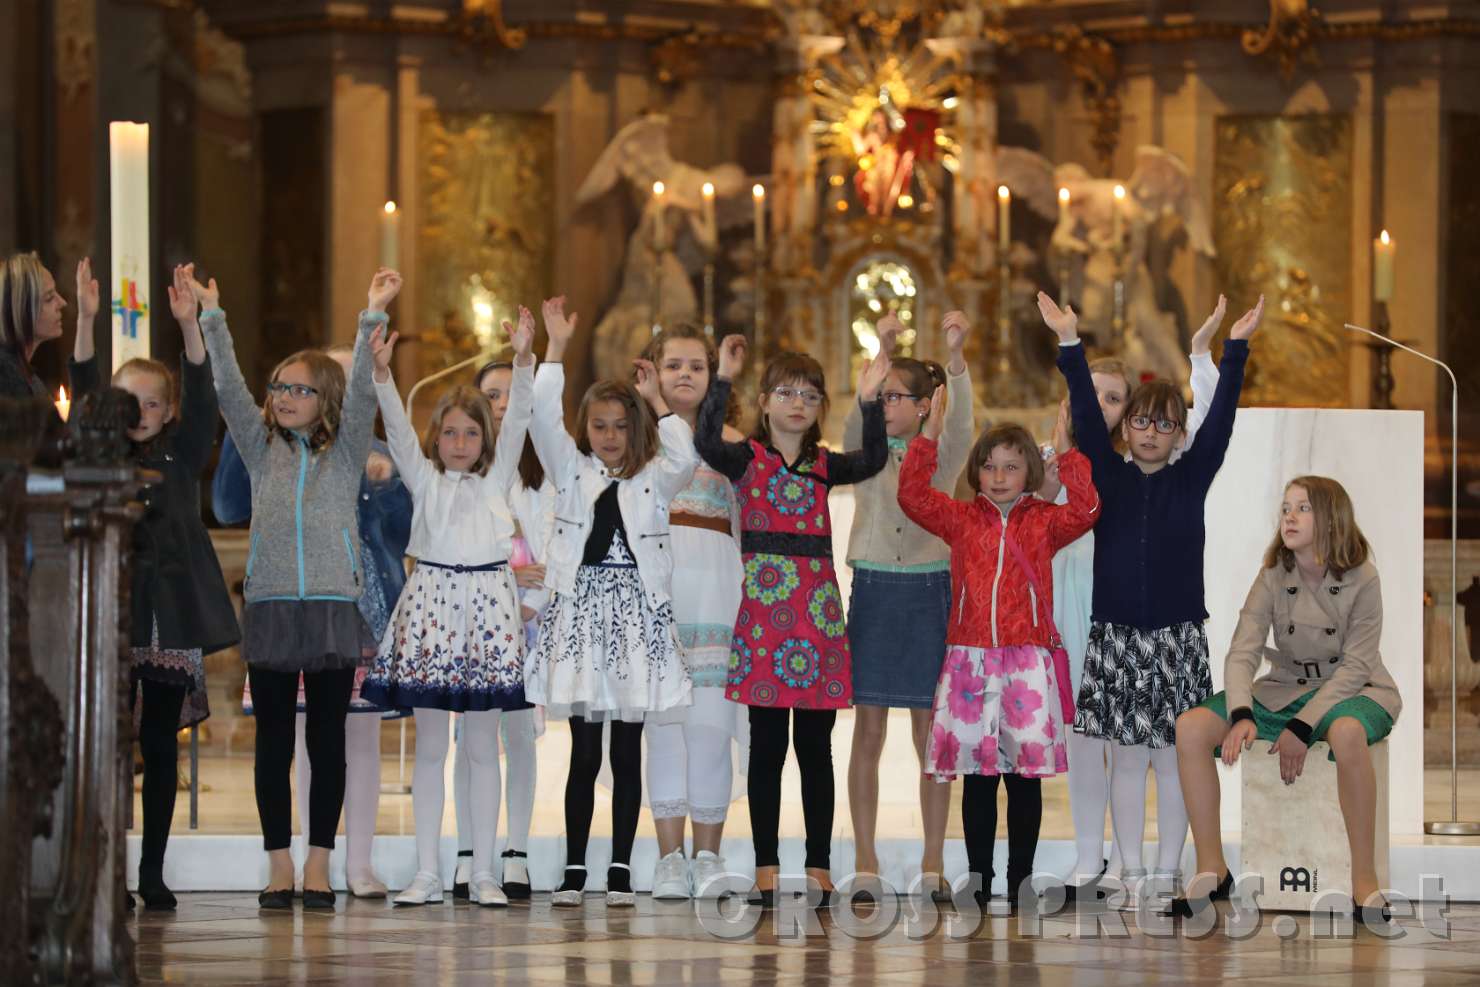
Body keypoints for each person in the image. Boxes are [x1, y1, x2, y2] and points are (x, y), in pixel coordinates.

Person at [1040, 289, 1262, 909]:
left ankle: (1170, 871)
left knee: (1172, 758)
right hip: (1116, 638)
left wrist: (1233, 348)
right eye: (1140, 421)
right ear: (1127, 427)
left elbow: (1222, 421)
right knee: (1127, 759)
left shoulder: (1193, 476)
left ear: (1178, 434)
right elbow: (1085, 410)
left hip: (1175, 638)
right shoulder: (1105, 474)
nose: (1149, 433)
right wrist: (1068, 342)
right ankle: (1131, 870)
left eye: (1165, 424)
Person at [197, 265, 396, 909]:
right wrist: (213, 319)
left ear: (327, 399)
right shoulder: (260, 447)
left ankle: (320, 861)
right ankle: (278, 860)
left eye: (299, 389)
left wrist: (372, 314)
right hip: (274, 607)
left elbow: (364, 390)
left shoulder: (344, 454)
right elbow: (227, 388)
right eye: (279, 386)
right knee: (275, 740)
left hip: (335, 609)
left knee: (327, 739)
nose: (283, 396)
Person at [694, 332, 890, 907]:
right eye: (785, 392)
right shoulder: (745, 459)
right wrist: (722, 377)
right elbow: (707, 440)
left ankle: (820, 863)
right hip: (763, 620)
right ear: (764, 402)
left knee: (815, 747)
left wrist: (872, 398)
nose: (797, 403)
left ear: (821, 406)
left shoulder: (825, 466)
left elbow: (874, 458)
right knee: (766, 747)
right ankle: (765, 865)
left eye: (809, 394)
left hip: (815, 617)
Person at [69, 262, 239, 910]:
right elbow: (84, 385)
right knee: (108, 746)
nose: (138, 411)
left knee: (161, 747)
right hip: (110, 618)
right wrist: (87, 319)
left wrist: (191, 326)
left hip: (166, 623)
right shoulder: (101, 453)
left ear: (166, 411)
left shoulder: (182, 450)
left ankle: (153, 868)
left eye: (150, 401)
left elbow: (204, 393)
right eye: (127, 400)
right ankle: (102, 865)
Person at [524, 296, 698, 908]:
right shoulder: (570, 471)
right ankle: (576, 869)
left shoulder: (653, 475)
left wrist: (654, 399)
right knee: (584, 749)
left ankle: (621, 868)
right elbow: (542, 417)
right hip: (582, 615)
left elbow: (684, 453)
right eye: (600, 426)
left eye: (622, 427)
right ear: (585, 429)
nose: (610, 437)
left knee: (628, 749)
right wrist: (555, 348)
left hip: (635, 616)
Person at [360, 308, 537, 907]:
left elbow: (518, 427)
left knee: (485, 748)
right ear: (436, 437)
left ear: (487, 439)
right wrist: (382, 374)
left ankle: (483, 871)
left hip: (488, 611)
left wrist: (524, 361)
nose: (461, 443)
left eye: (472, 433)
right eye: (451, 432)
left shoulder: (497, 478)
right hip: (432, 610)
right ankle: (427, 872)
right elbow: (397, 429)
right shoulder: (423, 476)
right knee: (431, 748)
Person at [1170, 476, 1400, 926]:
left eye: (1303, 508)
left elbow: (1355, 667)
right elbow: (1243, 650)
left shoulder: (1363, 577)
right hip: (1285, 687)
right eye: (1285, 508)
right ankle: (1212, 869)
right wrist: (1240, 713)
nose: (1289, 517)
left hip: (1356, 689)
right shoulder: (1274, 574)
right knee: (1191, 727)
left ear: (1332, 518)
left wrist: (1302, 727)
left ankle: (1365, 883)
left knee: (1349, 732)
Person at [899, 408, 1098, 908]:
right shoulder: (962, 519)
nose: (1000, 477)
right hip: (970, 662)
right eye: (990, 467)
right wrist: (927, 437)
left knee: (1022, 780)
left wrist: (1068, 448)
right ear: (976, 474)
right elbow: (912, 496)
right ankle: (980, 878)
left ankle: (1023, 880)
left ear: (1031, 470)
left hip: (1026, 664)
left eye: (1012, 466)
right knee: (978, 780)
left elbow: (1089, 509)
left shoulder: (1046, 522)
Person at [844, 311, 973, 900]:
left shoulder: (941, 456)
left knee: (930, 732)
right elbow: (853, 425)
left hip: (926, 591)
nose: (888, 404)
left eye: (899, 396)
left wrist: (957, 359)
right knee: (867, 730)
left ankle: (932, 860)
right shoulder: (867, 450)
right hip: (873, 587)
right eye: (884, 395)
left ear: (924, 405)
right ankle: (865, 858)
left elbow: (963, 428)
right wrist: (882, 350)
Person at [638, 325, 747, 901]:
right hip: (659, 586)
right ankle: (669, 858)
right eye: (672, 364)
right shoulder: (636, 441)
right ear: (651, 370)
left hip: (717, 588)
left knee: (710, 725)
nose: (684, 374)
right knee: (664, 728)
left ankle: (708, 852)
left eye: (696, 366)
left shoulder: (732, 444)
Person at [446, 357, 554, 901]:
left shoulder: (546, 472)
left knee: (517, 737)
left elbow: (560, 545)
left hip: (528, 623)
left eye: (514, 392)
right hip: (472, 620)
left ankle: (515, 850)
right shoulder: (463, 472)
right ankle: (470, 850)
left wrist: (530, 599)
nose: (504, 403)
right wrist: (507, 582)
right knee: (470, 738)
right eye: (493, 394)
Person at [0, 251, 72, 398]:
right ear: (23, 310)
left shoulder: (22, 372)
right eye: (49, 298)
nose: (62, 303)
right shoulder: (8, 380)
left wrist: (86, 317)